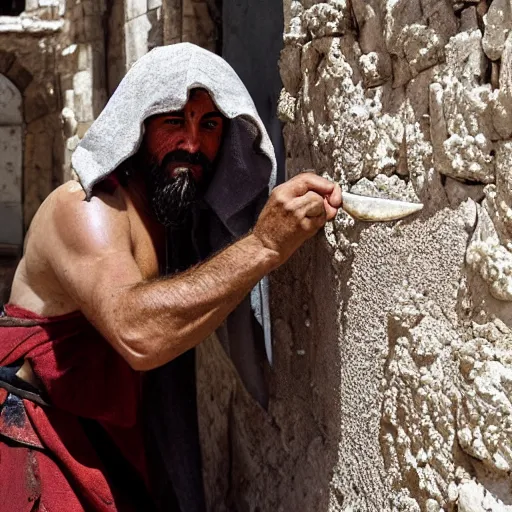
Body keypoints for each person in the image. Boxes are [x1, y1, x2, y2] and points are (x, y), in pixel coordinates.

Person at [0, 43, 341, 511]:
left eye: (210, 125)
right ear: (139, 127)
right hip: (35, 438)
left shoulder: (175, 218)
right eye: (174, 122)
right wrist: (262, 245)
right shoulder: (88, 209)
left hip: (106, 442)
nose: (193, 145)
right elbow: (138, 334)